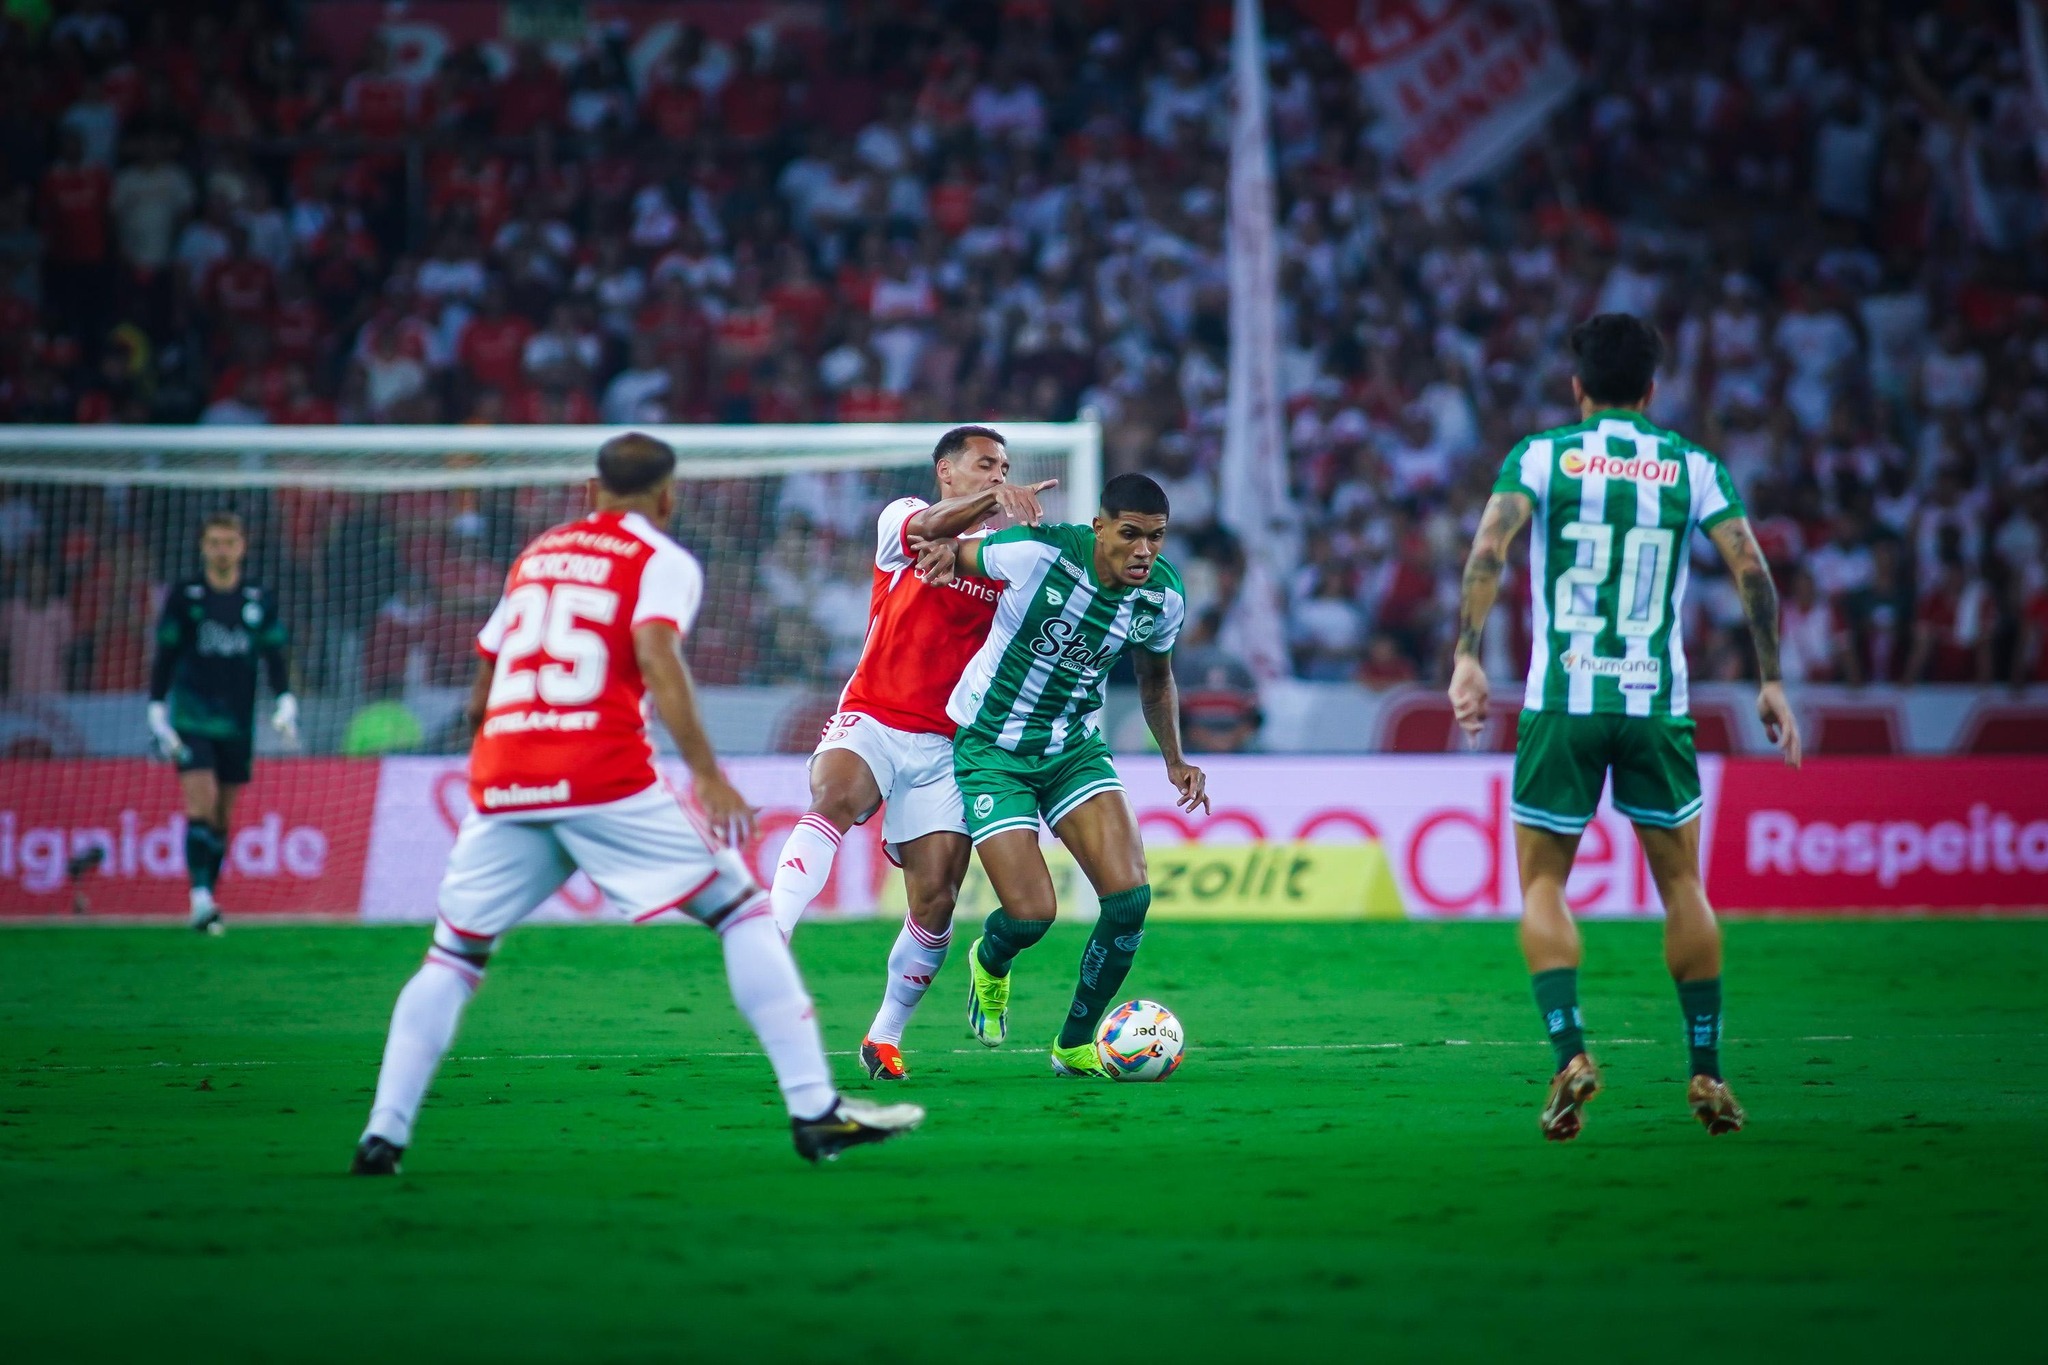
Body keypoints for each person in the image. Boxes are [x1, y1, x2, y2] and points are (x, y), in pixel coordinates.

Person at [352, 434, 920, 1175]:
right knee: (743, 911)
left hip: (504, 775)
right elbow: (656, 655)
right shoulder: (662, 559)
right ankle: (815, 1111)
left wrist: (505, 757)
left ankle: (383, 1134)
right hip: (601, 772)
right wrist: (709, 774)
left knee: (453, 953)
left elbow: (482, 691)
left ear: (592, 491)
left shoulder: (537, 555)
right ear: (667, 497)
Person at [1448, 313, 1802, 1142]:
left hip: (1564, 699)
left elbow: (1489, 549)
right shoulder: (1692, 464)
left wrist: (1467, 656)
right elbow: (1752, 566)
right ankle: (1707, 1068)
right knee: (1684, 886)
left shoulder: (1542, 455)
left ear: (1577, 387)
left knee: (1541, 885)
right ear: (1652, 388)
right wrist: (1772, 678)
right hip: (1655, 702)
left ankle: (1570, 1052)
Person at [767, 425, 1056, 1081]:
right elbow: (931, 524)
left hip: (951, 742)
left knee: (936, 898)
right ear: (946, 469)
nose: (997, 474)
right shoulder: (902, 519)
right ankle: (772, 929)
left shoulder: (1008, 557)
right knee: (836, 796)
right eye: (986, 464)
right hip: (873, 714)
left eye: (1004, 467)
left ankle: (884, 1035)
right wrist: (993, 503)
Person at [931, 472, 1209, 1078]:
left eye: (1156, 538)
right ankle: (992, 957)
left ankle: (1074, 1043)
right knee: (1031, 915)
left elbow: (1155, 677)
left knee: (1130, 899)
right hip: (992, 748)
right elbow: (956, 551)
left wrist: (1174, 758)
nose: (1143, 551)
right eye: (1130, 535)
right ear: (1099, 528)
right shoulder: (1037, 552)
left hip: (1074, 749)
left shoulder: (1163, 597)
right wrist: (940, 552)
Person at [146, 512, 296, 933]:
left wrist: (285, 699)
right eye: (214, 542)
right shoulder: (186, 597)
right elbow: (166, 654)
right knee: (201, 802)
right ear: (202, 547)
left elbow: (274, 655)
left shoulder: (257, 600)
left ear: (242, 547)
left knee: (222, 817)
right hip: (192, 717)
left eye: (229, 542)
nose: (222, 550)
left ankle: (206, 899)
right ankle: (198, 896)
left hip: (238, 723)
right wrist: (156, 705)